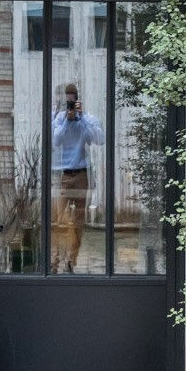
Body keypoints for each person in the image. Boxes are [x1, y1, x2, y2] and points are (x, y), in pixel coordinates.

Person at [51, 83, 103, 273]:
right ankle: (54, 261)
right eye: (68, 102)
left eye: (73, 101)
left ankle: (70, 262)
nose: (71, 105)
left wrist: (81, 119)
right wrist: (67, 119)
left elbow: (99, 139)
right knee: (57, 221)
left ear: (79, 100)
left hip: (82, 175)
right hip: (64, 175)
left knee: (78, 223)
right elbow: (55, 141)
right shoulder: (59, 119)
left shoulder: (87, 119)